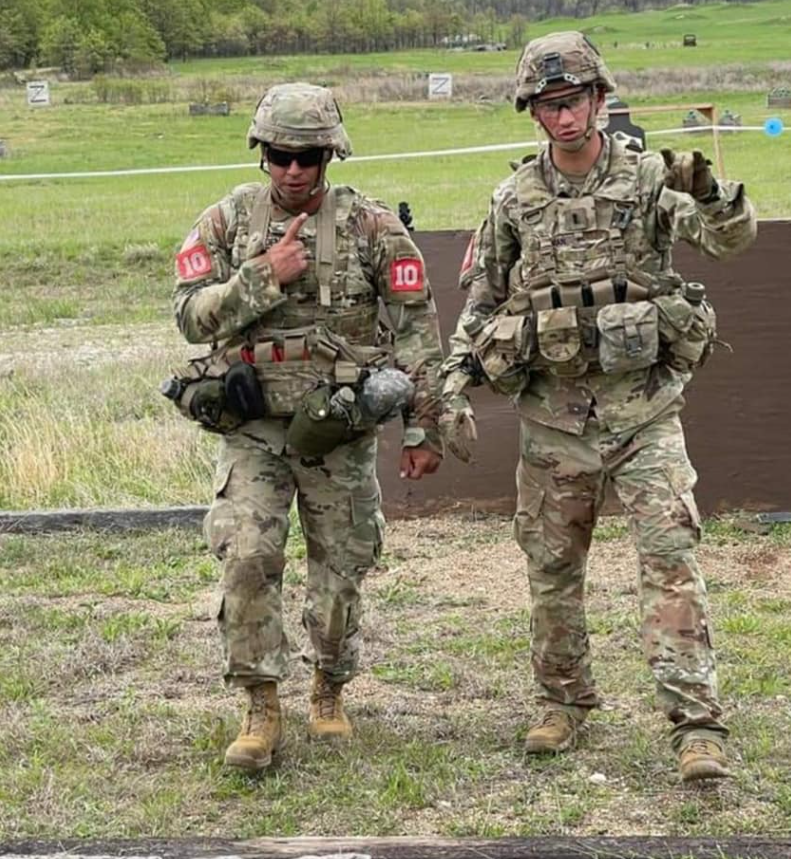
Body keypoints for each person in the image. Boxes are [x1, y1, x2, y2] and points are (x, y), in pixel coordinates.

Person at [439, 32, 756, 782]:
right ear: (532, 113)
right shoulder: (512, 199)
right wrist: (451, 384)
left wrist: (708, 190)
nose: (564, 117)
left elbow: (726, 243)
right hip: (553, 419)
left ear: (600, 100)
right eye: (548, 105)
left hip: (642, 413)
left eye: (575, 100)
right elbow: (481, 300)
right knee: (550, 568)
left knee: (670, 560)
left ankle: (696, 724)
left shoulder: (650, 178)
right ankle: (562, 702)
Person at [171, 82, 444, 771]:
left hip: (338, 426)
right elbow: (187, 314)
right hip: (254, 424)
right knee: (247, 554)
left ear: (332, 156)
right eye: (281, 156)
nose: (294, 171)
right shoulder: (227, 221)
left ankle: (329, 686)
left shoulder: (373, 227)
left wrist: (423, 427)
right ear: (262, 153)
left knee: (341, 565)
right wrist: (259, 278)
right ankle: (260, 702)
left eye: (310, 157)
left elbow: (417, 331)